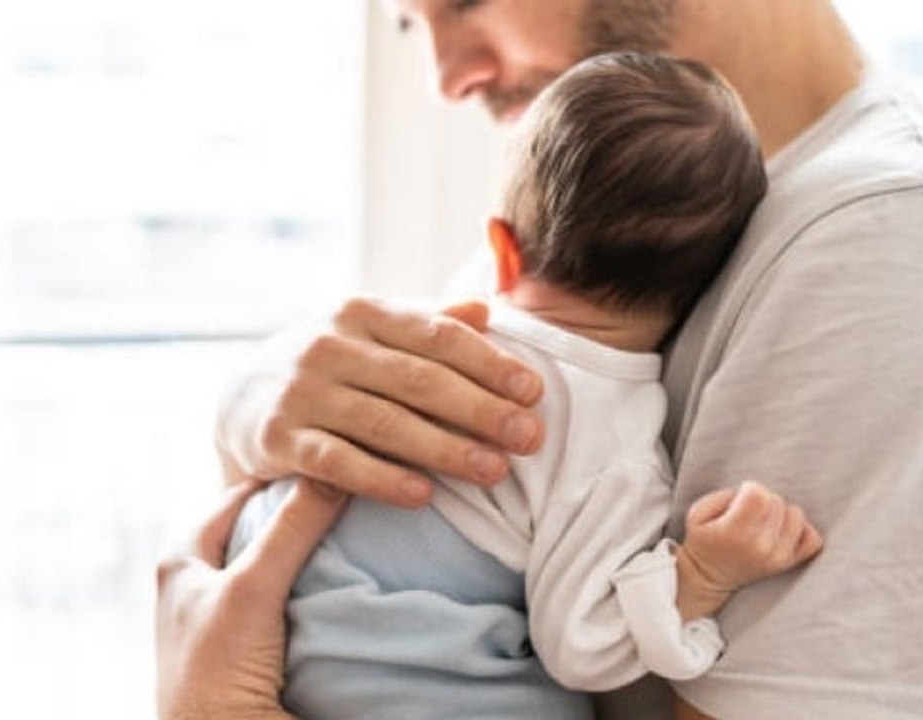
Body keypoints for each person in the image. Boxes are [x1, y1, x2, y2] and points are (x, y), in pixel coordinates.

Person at [159, 1, 923, 718]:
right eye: (411, 25)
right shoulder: (605, 204)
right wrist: (254, 404)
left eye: (466, 1)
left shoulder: (881, 242)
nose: (446, 78)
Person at [224, 51, 822, 720]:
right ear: (704, 289)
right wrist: (701, 577)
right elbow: (584, 647)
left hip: (273, 622)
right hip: (405, 681)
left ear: (501, 248)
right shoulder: (610, 445)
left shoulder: (420, 340)